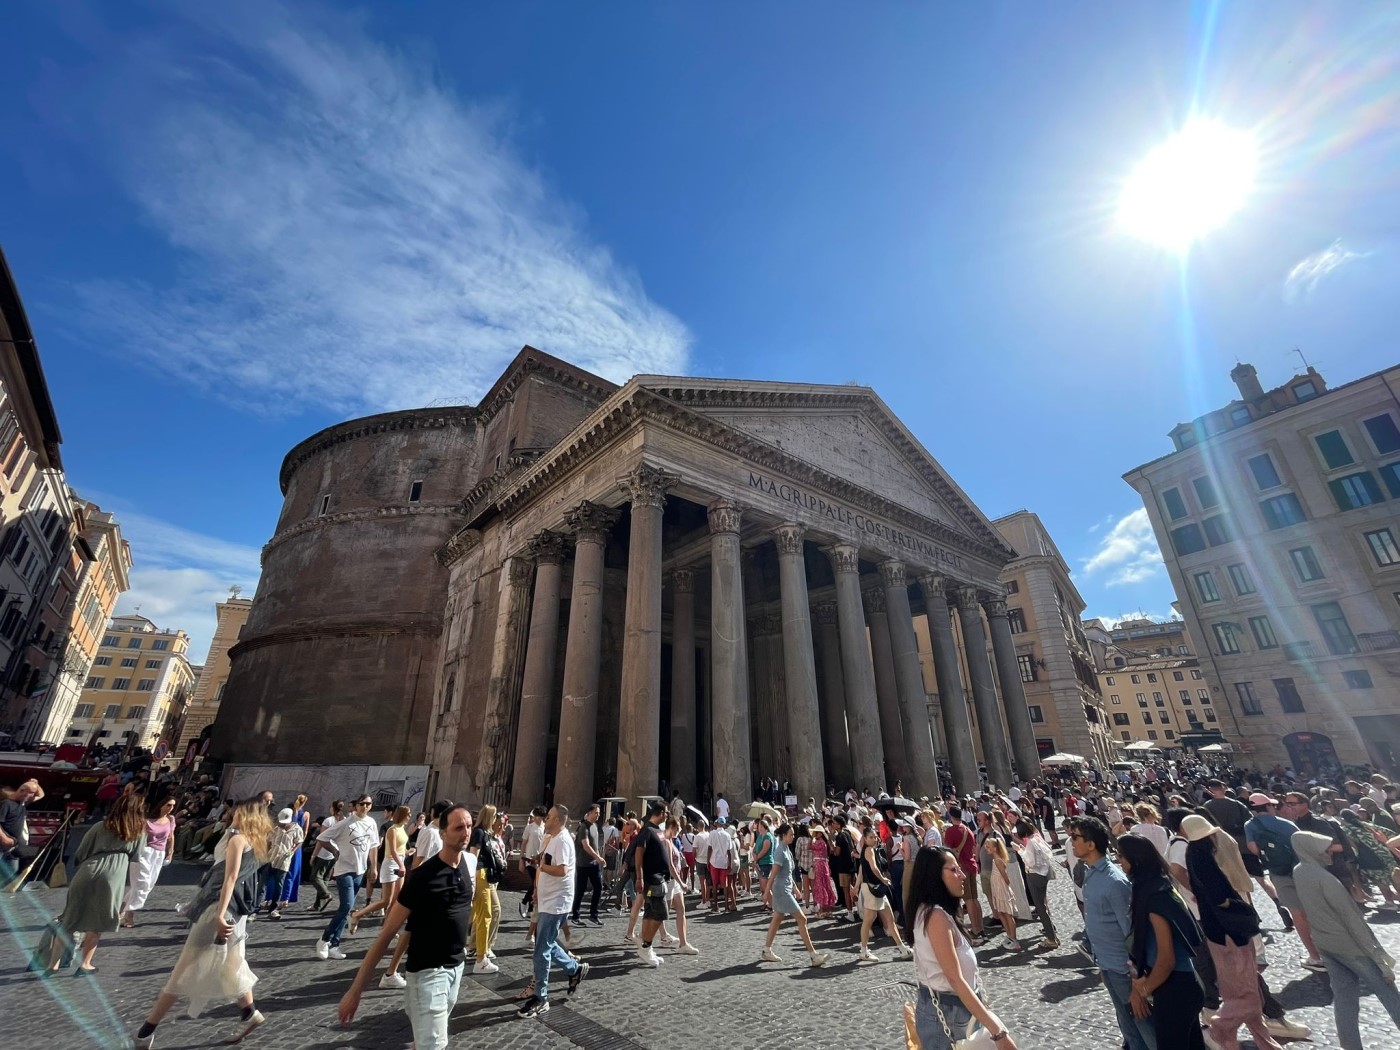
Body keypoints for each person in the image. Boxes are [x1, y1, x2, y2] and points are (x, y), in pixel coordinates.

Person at [132, 799, 273, 1048]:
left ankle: (146, 1031)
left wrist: (218, 915)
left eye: (236, 813)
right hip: (236, 914)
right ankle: (249, 1013)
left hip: (219, 910)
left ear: (246, 815)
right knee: (232, 962)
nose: (232, 817)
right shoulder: (257, 843)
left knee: (185, 966)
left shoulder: (238, 840)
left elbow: (229, 879)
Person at [338, 805, 475, 1050]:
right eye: (458, 827)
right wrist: (356, 990)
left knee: (426, 1039)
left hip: (456, 967)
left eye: (469, 826)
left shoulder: (467, 864)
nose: (466, 832)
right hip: (429, 973)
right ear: (442, 833)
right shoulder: (423, 877)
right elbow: (387, 934)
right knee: (433, 1044)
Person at [1181, 814, 1284, 1050]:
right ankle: (1219, 1027)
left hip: (1217, 930)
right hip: (1229, 932)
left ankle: (1261, 1041)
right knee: (1246, 992)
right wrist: (1242, 908)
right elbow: (1219, 896)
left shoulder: (1194, 855)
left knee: (1240, 990)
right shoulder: (1202, 857)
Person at [1292, 829, 1400, 1049]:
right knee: (1388, 991)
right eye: (1325, 848)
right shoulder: (1326, 879)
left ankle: (1350, 1045)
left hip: (1325, 944)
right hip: (1350, 946)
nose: (1330, 851)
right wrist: (1378, 957)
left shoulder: (1299, 871)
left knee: (1344, 998)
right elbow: (1353, 921)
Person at [904, 846, 1020, 1050]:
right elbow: (954, 978)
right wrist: (998, 1032)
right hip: (948, 1013)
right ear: (934, 876)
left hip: (956, 1009)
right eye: (954, 870)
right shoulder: (936, 917)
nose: (962, 875)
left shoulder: (936, 912)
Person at [1068, 815, 1154, 1050]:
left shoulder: (1115, 881)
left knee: (1144, 1027)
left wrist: (1136, 978)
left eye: (1075, 837)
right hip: (1106, 964)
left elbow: (1131, 932)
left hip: (1124, 969)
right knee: (1128, 1027)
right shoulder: (1090, 874)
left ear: (1091, 844)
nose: (1071, 841)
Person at [35, 792, 146, 974]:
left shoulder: (100, 826)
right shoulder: (138, 832)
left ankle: (52, 965)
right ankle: (85, 964)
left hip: (89, 869)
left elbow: (81, 852)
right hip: (114, 875)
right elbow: (137, 856)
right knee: (97, 922)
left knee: (69, 921)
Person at [1116, 834, 1205, 1049]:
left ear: (1135, 860)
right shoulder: (1159, 887)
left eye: (1121, 856)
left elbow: (1166, 959)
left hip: (1176, 988)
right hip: (1183, 984)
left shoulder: (1155, 896)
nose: (1118, 860)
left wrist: (1143, 990)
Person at [518, 804, 585, 1019]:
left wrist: (541, 868)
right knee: (545, 943)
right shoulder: (552, 838)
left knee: (541, 949)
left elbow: (562, 869)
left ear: (557, 820)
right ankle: (573, 968)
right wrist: (538, 887)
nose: (545, 820)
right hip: (549, 900)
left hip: (557, 902)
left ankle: (541, 997)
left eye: (548, 817)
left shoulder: (563, 840)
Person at [1244, 793, 1323, 969]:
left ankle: (1314, 956)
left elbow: (1253, 848)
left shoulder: (1250, 825)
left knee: (1297, 913)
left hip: (1278, 873)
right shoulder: (1286, 824)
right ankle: (1330, 951)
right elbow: (1303, 844)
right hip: (1300, 869)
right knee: (1314, 909)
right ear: (1269, 807)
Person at [315, 795, 380, 961]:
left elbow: (373, 846)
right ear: (356, 805)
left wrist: (374, 867)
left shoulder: (371, 823)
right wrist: (335, 851)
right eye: (362, 804)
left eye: (368, 804)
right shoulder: (345, 823)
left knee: (346, 909)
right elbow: (322, 837)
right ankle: (324, 939)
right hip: (344, 869)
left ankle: (335, 944)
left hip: (360, 870)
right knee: (346, 905)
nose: (365, 806)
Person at [759, 822, 829, 967]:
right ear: (784, 835)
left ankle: (766, 950)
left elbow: (787, 872)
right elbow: (773, 874)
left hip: (784, 889)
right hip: (781, 891)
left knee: (777, 919)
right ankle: (813, 955)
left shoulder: (786, 849)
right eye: (791, 834)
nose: (793, 836)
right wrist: (767, 893)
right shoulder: (780, 851)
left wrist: (796, 890)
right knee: (802, 920)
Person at [855, 826, 913, 963]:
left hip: (876, 888)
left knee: (889, 919)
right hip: (873, 888)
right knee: (869, 920)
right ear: (865, 839)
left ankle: (902, 948)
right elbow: (873, 869)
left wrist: (857, 886)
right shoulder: (869, 850)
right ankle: (864, 950)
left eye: (875, 836)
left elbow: (862, 869)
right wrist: (884, 880)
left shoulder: (872, 850)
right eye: (871, 837)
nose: (874, 839)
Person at [349, 804, 409, 934]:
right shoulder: (392, 829)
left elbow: (401, 848)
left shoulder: (402, 828)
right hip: (392, 864)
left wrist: (408, 852)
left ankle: (387, 928)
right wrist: (401, 864)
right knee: (386, 901)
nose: (409, 817)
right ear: (402, 815)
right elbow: (392, 850)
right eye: (408, 814)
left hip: (400, 862)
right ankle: (357, 914)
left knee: (396, 899)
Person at [122, 794, 178, 927]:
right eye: (168, 805)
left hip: (159, 854)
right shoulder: (146, 821)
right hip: (144, 853)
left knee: (147, 885)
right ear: (161, 805)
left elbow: (171, 836)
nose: (170, 808)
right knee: (142, 883)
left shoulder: (170, 819)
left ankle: (120, 910)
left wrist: (170, 852)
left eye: (173, 806)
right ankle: (129, 916)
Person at [632, 799, 672, 967]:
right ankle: (646, 946)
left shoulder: (656, 830)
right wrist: (640, 878)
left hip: (659, 877)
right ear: (661, 813)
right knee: (661, 913)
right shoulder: (646, 830)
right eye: (667, 813)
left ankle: (646, 946)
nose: (668, 815)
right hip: (652, 878)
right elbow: (638, 854)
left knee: (650, 912)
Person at [1012, 820, 1058, 949]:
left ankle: (1051, 938)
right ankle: (1052, 934)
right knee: (1043, 906)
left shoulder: (1031, 842)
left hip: (1034, 875)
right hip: (1043, 874)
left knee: (1041, 908)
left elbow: (1031, 862)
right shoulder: (1037, 838)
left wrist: (1020, 850)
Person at [942, 806, 984, 943]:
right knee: (974, 898)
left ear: (950, 815)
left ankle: (976, 930)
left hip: (962, 867)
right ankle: (980, 927)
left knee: (968, 900)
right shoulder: (967, 830)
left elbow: (947, 849)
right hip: (971, 865)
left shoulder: (951, 831)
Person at [262, 808, 306, 920]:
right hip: (271, 858)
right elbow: (268, 841)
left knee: (279, 884)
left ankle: (274, 907)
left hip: (284, 860)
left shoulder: (296, 829)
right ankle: (258, 906)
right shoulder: (276, 829)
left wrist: (292, 851)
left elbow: (299, 842)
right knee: (263, 883)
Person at [0, 778, 45, 873]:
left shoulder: (23, 803)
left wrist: (35, 783)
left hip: (13, 848)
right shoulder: (5, 804)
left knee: (12, 871)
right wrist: (4, 839)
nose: (33, 796)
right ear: (22, 791)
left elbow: (41, 795)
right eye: (31, 793)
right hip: (2, 846)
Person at [572, 803, 605, 927]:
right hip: (583, 864)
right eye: (596, 813)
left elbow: (595, 845)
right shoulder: (583, 827)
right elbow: (586, 846)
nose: (598, 815)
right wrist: (598, 857)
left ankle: (593, 915)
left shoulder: (595, 826)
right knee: (580, 890)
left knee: (598, 887)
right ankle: (575, 915)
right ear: (589, 813)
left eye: (599, 813)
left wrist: (599, 857)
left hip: (593, 863)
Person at [309, 800, 344, 911]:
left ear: (333, 808)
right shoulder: (344, 821)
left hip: (324, 852)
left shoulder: (328, 821)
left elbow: (321, 839)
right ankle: (318, 904)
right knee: (325, 878)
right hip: (335, 852)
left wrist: (314, 855)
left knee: (315, 877)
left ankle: (326, 894)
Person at [278, 793, 310, 909]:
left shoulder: (290, 812)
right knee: (292, 872)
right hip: (297, 844)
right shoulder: (306, 814)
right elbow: (305, 832)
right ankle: (286, 898)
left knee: (278, 870)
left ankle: (270, 898)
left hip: (285, 842)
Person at [809, 824, 838, 918]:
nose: (814, 834)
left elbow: (809, 846)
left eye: (816, 833)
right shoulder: (824, 842)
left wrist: (812, 838)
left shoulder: (819, 842)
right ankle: (826, 909)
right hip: (823, 864)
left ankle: (822, 910)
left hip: (819, 864)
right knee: (825, 885)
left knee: (821, 885)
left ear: (820, 834)